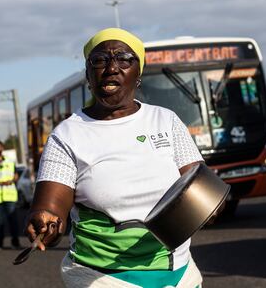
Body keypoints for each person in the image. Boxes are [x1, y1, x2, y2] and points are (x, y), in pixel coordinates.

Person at [25, 28, 204, 287]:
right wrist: (46, 221)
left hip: (178, 272)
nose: (111, 68)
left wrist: (209, 205)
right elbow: (51, 207)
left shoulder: (166, 120)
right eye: (99, 60)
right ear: (88, 75)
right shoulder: (67, 135)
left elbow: (198, 184)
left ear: (138, 73)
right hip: (103, 276)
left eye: (124, 59)